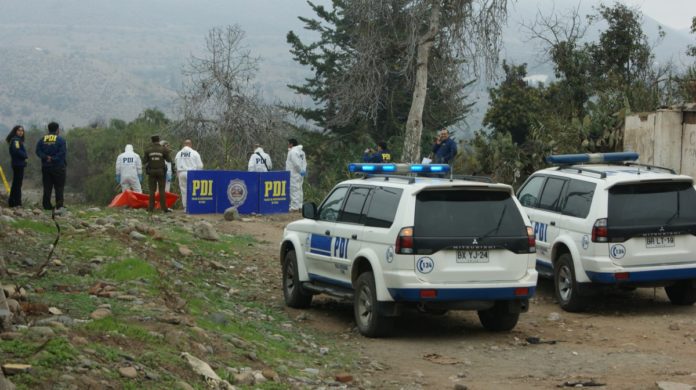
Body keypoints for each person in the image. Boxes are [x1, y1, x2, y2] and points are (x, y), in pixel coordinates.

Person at [35, 122, 67, 212]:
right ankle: (59, 205)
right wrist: (53, 158)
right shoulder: (61, 140)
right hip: (58, 167)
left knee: (47, 187)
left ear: (48, 129)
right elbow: (62, 153)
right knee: (59, 187)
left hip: (46, 167)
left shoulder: (42, 140)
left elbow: (38, 151)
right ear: (57, 130)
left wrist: (46, 157)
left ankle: (46, 205)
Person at [143, 135, 172, 213]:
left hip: (151, 172)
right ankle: (164, 208)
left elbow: (144, 161)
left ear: (152, 141)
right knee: (162, 190)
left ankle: (150, 208)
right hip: (161, 172)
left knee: (152, 190)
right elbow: (169, 160)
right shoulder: (163, 149)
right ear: (158, 141)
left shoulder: (148, 150)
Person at [175, 139, 203, 211]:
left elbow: (176, 164)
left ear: (184, 144)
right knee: (193, 190)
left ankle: (186, 207)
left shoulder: (179, 153)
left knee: (183, 190)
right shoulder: (194, 153)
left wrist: (178, 173)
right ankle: (193, 206)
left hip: (181, 173)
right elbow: (200, 166)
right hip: (191, 173)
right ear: (191, 145)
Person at [6, 125, 28, 208]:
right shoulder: (15, 140)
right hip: (18, 164)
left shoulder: (18, 140)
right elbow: (17, 151)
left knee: (16, 184)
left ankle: (12, 202)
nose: (21, 132)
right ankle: (17, 203)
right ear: (15, 131)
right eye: (19, 130)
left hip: (18, 164)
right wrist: (25, 156)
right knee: (17, 184)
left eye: (22, 131)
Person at [285, 138, 307, 212]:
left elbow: (296, 163)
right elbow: (304, 162)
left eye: (288, 143)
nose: (287, 145)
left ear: (291, 144)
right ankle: (300, 205)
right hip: (301, 174)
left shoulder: (293, 152)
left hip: (294, 174)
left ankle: (294, 207)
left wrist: (299, 171)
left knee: (293, 190)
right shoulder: (301, 152)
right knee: (299, 189)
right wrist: (303, 171)